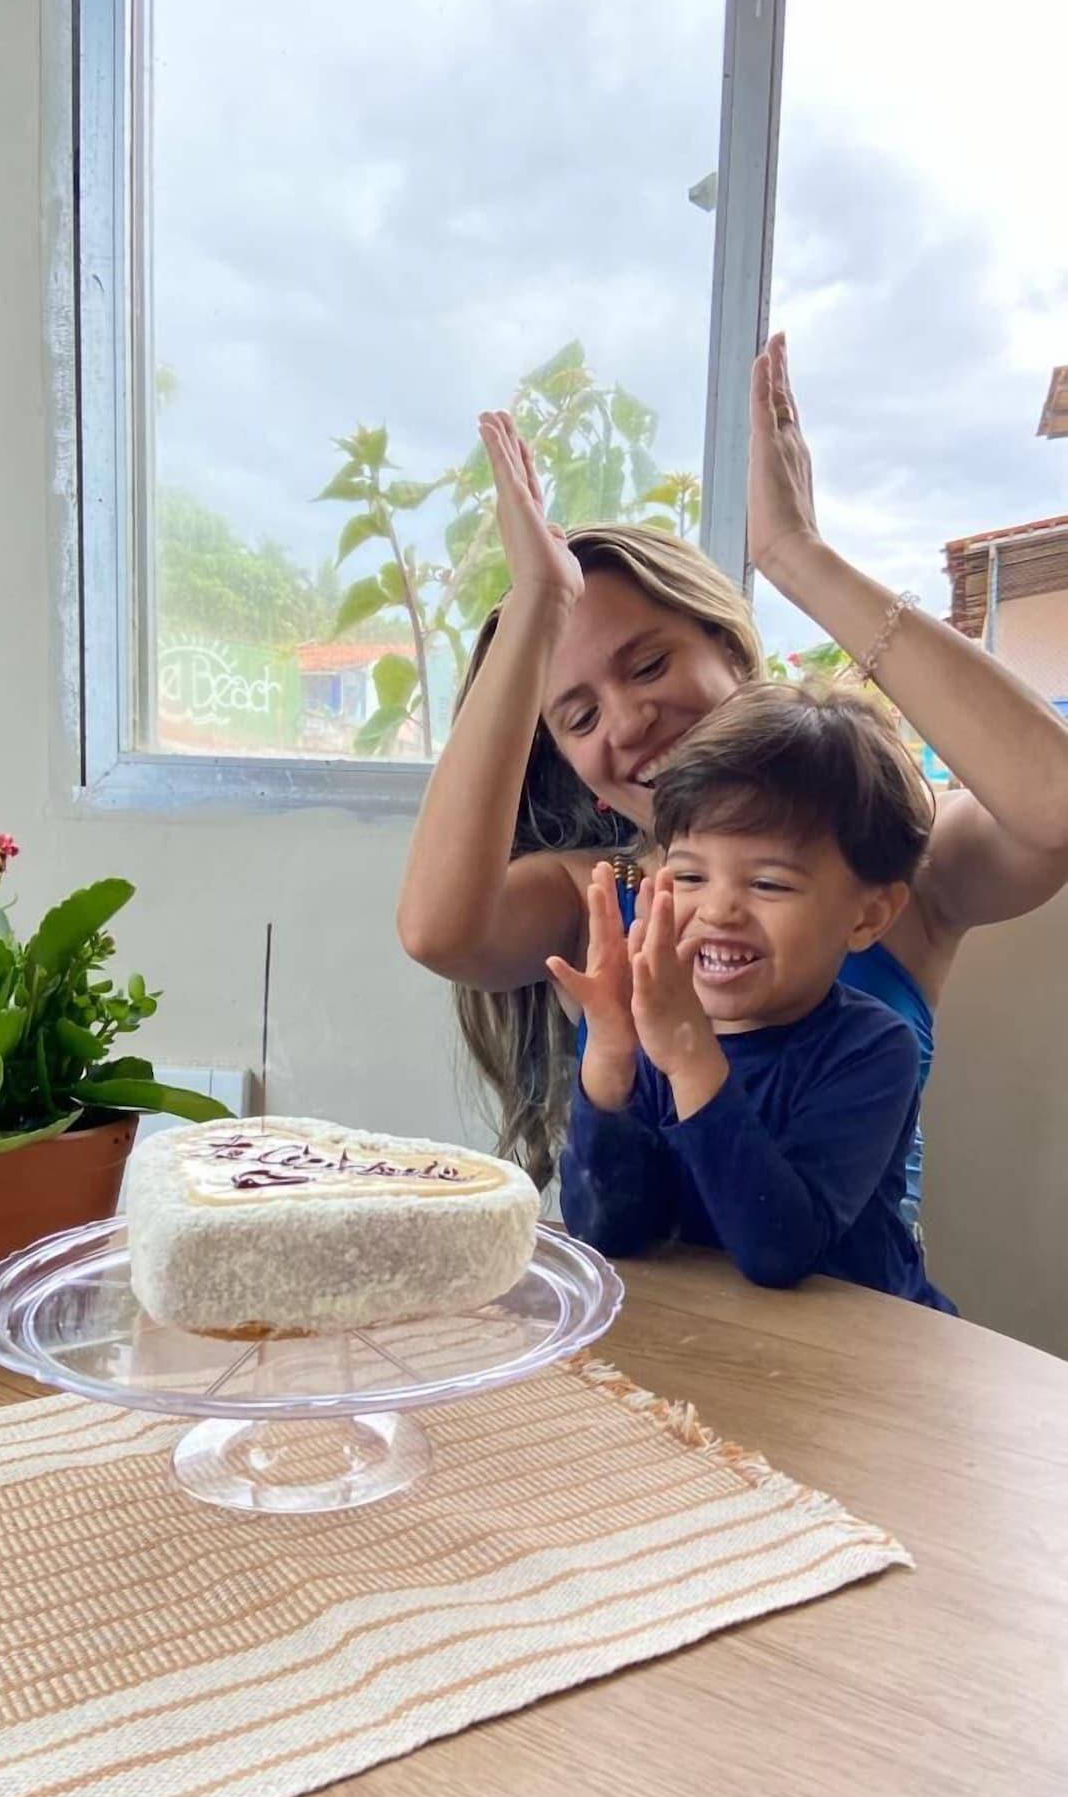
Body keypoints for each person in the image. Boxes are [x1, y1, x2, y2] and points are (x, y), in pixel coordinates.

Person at [398, 336, 1068, 1204]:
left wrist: (794, 554)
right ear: (570, 766)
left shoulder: (888, 853)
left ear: (727, 649)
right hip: (636, 1328)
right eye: (579, 716)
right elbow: (438, 933)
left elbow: (1052, 804)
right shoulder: (588, 899)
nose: (631, 720)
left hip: (856, 1327)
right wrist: (532, 607)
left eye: (647, 666)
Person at [551, 683, 953, 1311]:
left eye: (768, 883)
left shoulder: (873, 1051)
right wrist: (608, 1054)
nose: (717, 910)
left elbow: (779, 1251)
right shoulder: (652, 1034)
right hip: (712, 1340)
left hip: (858, 1357)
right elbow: (607, 1233)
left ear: (868, 916)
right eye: (688, 876)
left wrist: (690, 1058)